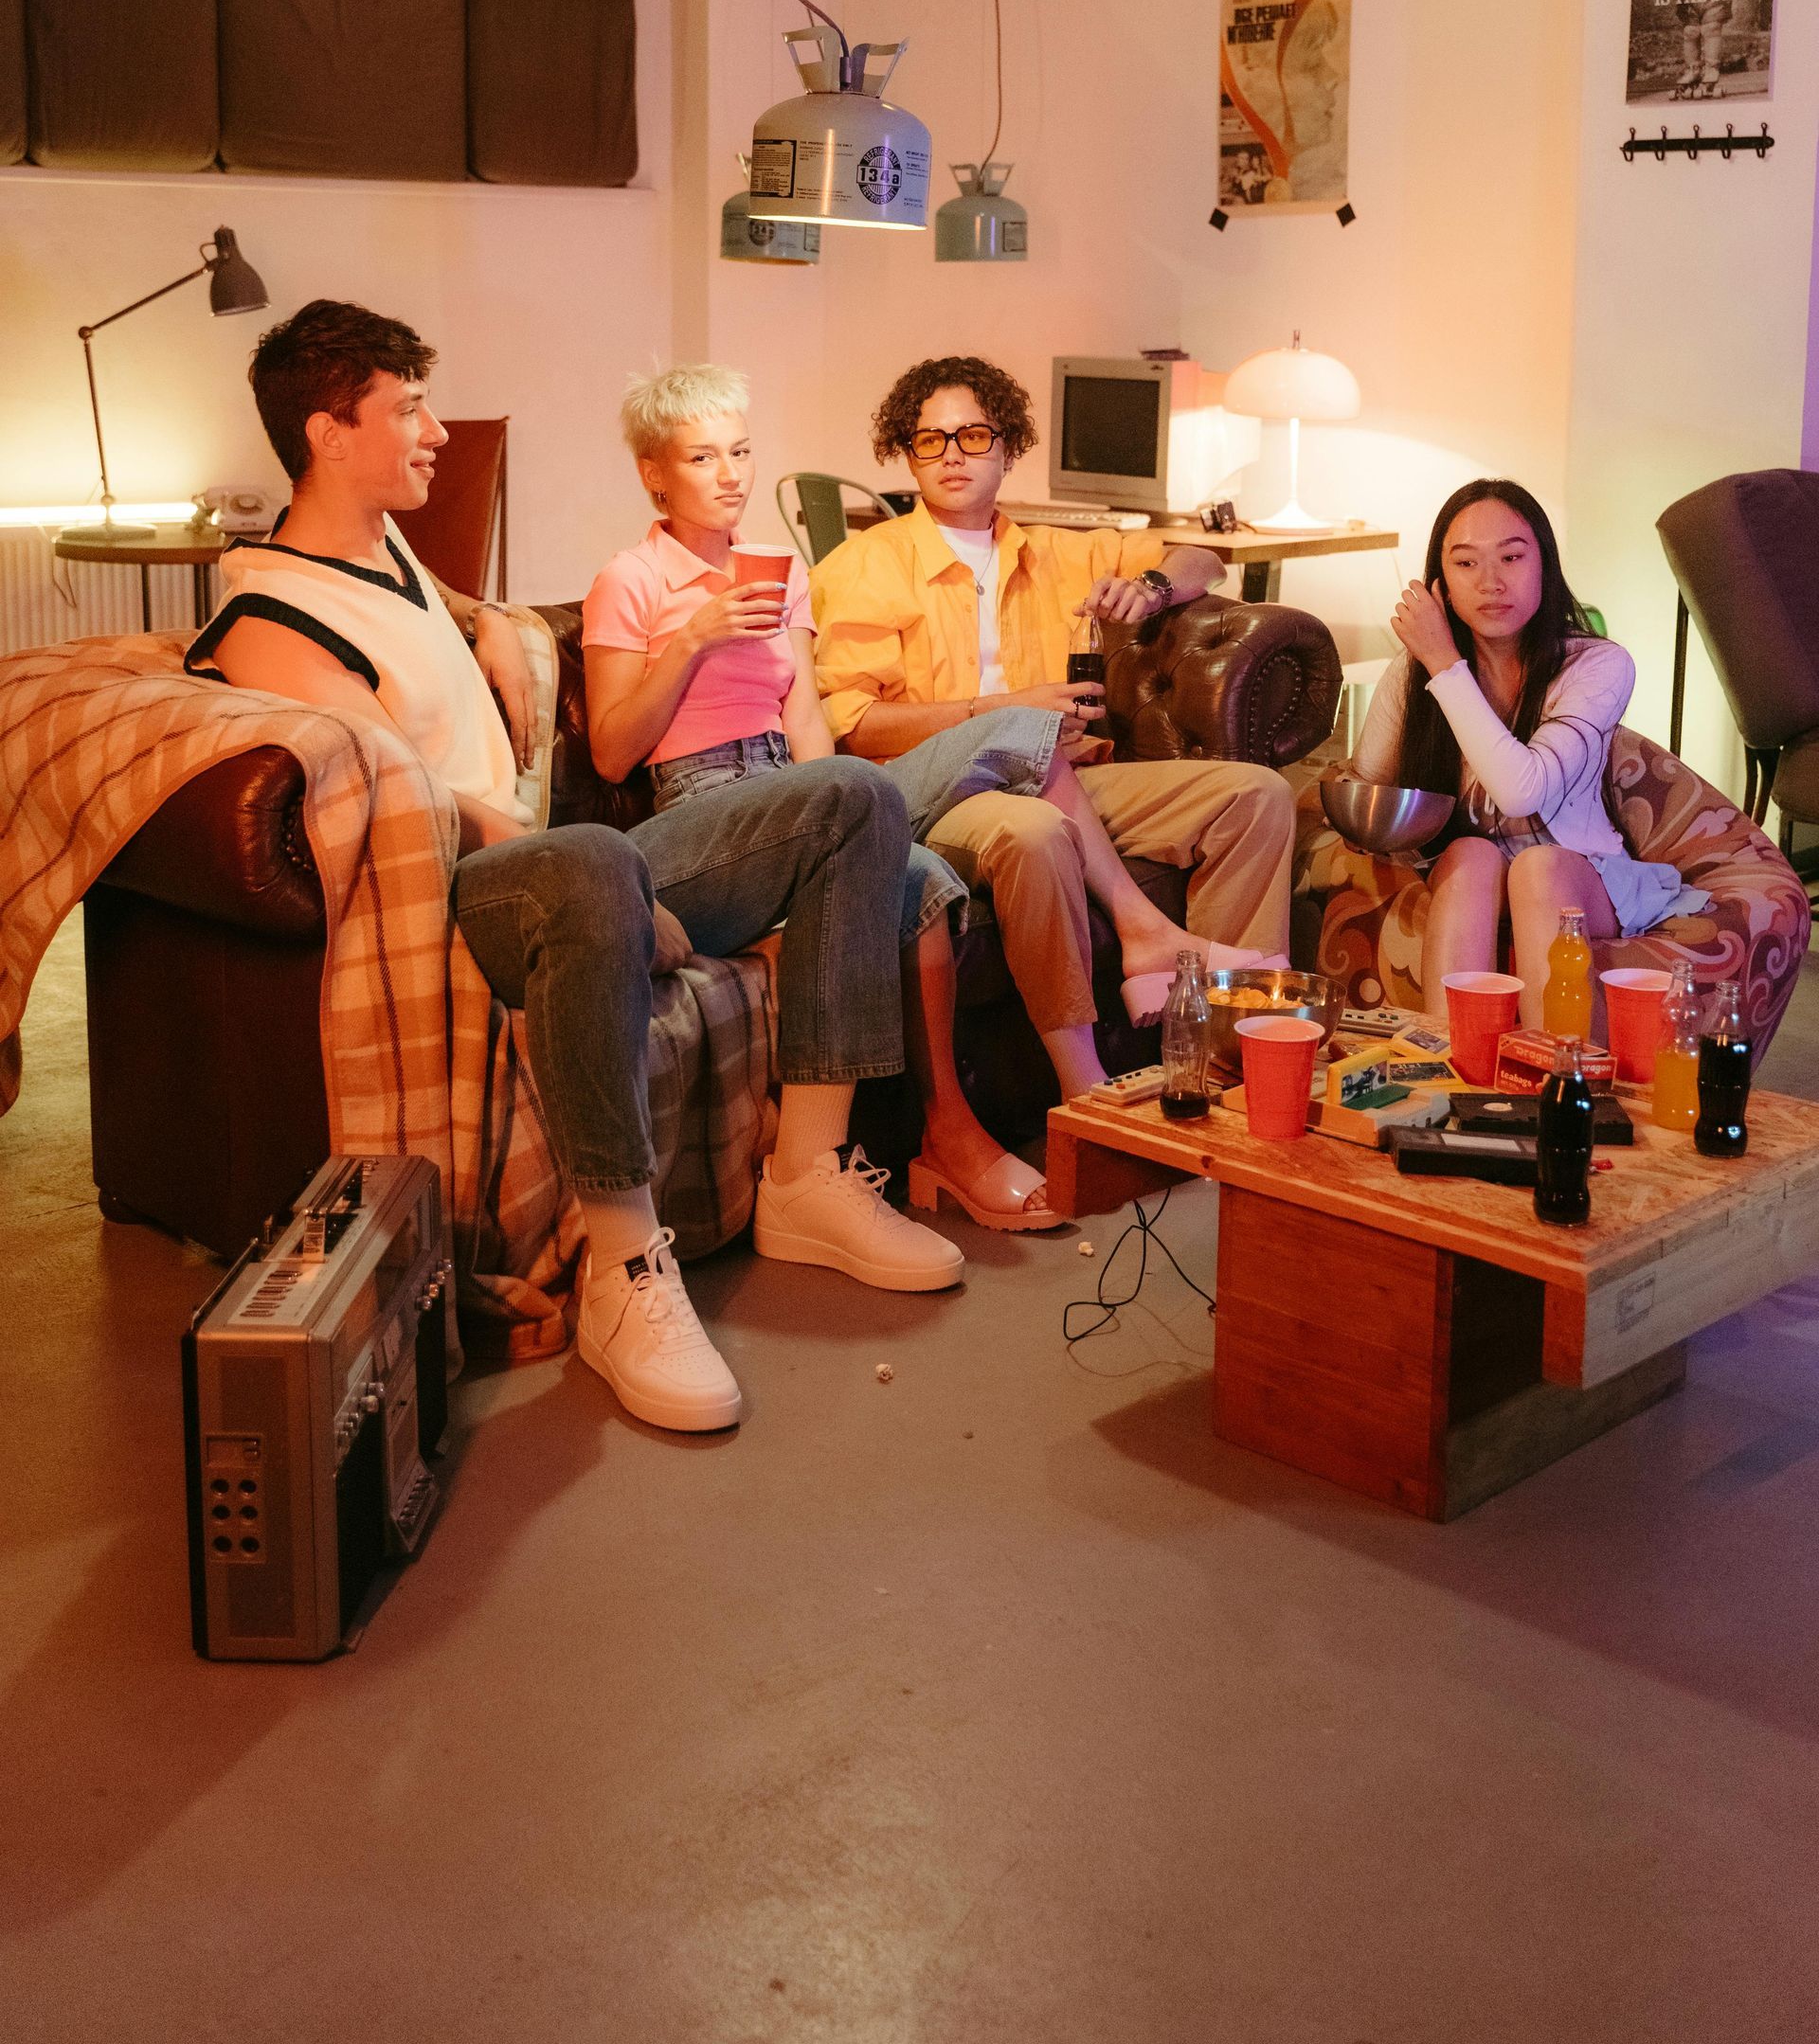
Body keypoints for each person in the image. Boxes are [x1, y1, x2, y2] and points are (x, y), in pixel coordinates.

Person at [188, 300, 959, 1443]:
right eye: (408, 409)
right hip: (475, 889)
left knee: (855, 798)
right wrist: (617, 884)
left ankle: (807, 1175)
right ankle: (623, 1265)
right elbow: (408, 799)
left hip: (578, 865)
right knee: (597, 862)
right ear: (327, 434)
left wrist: (492, 628)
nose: (438, 431)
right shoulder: (264, 612)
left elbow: (440, 638)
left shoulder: (386, 554)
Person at [585, 364, 1091, 1231]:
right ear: (655, 475)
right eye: (704, 457)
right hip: (703, 807)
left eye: (741, 451)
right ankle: (937, 1143)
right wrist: (693, 641)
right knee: (945, 774)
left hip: (795, 785)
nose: (733, 473)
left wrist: (845, 810)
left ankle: (947, 1138)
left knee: (924, 870)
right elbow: (612, 750)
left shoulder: (778, 579)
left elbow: (808, 718)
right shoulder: (629, 580)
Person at [810, 355, 1295, 1102]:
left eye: (972, 436)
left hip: (1074, 776)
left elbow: (1206, 558)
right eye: (929, 441)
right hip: (953, 799)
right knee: (1033, 826)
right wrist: (998, 715)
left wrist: (1153, 586)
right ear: (906, 454)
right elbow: (855, 727)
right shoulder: (864, 565)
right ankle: (1088, 1082)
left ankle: (1225, 1051)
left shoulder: (1062, 550)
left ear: (1008, 447)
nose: (951, 456)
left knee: (1256, 795)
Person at [1352, 477, 1706, 1027]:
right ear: (1440, 582)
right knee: (1469, 855)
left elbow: (1522, 792)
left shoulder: (1597, 665)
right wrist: (1410, 662)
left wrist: (1445, 666)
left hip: (1579, 875)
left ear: (1544, 563)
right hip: (1475, 877)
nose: (1491, 582)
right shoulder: (1429, 663)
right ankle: (1454, 1074)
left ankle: (1553, 1083)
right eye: (1466, 564)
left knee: (1536, 868)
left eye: (1512, 557)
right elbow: (1371, 777)